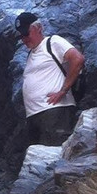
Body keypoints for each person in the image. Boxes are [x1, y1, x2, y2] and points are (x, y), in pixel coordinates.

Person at [15, 11, 85, 146]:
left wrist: (63, 90)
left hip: (55, 111)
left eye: (26, 34)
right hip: (34, 116)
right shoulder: (31, 54)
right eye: (21, 36)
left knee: (57, 153)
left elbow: (77, 59)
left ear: (38, 28)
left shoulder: (53, 42)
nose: (24, 39)